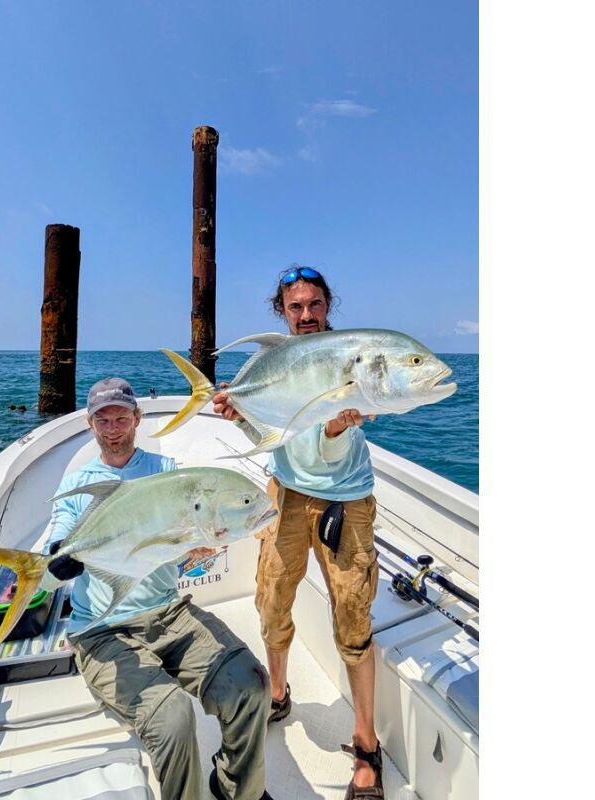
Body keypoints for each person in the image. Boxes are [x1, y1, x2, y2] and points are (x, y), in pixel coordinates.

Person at [44, 377, 273, 800]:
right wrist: (61, 554)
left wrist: (198, 544)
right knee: (173, 718)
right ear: (90, 425)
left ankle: (237, 789)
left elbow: (183, 537)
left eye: (121, 418)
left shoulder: (166, 472)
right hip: (102, 630)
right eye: (103, 420)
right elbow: (58, 539)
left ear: (137, 419)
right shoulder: (78, 485)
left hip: (170, 613)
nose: (113, 429)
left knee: (252, 684)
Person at [213, 266, 385, 799]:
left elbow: (333, 451)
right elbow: (267, 431)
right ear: (282, 312)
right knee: (271, 600)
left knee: (352, 615)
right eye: (295, 307)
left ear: (328, 305)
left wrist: (335, 429)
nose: (306, 315)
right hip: (285, 494)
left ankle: (366, 743)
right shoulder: (270, 362)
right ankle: (278, 693)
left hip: (344, 498)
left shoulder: (349, 358)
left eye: (314, 304)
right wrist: (237, 415)